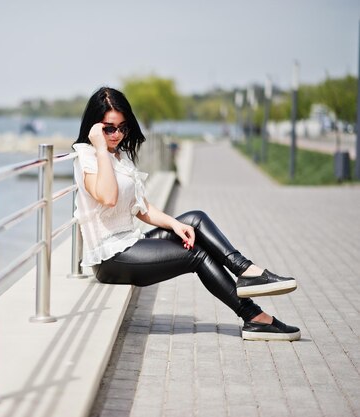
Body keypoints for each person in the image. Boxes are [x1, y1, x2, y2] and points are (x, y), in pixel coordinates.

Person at [72, 87, 300, 341]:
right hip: (111, 258)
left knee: (194, 220)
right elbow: (109, 197)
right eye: (109, 128)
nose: (117, 135)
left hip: (130, 243)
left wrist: (174, 225)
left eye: (123, 127)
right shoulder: (88, 157)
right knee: (197, 254)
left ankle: (247, 271)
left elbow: (143, 208)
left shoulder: (119, 155)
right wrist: (101, 149)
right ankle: (255, 318)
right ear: (94, 128)